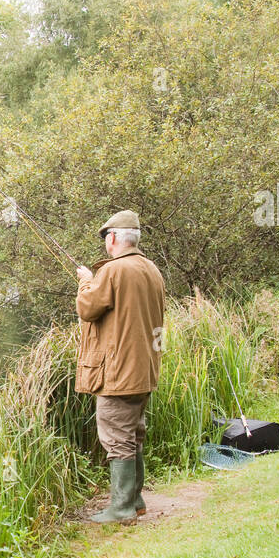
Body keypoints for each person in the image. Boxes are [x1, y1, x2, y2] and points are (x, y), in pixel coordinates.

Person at [75, 210, 167, 523]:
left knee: (117, 438)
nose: (105, 244)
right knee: (133, 434)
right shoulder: (151, 268)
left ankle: (122, 508)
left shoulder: (114, 271)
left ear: (113, 238)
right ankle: (135, 500)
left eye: (106, 238)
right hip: (144, 370)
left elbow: (88, 308)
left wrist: (87, 282)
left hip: (119, 372)